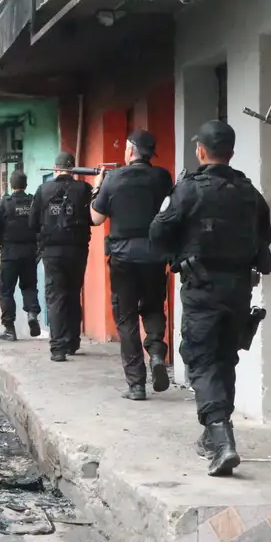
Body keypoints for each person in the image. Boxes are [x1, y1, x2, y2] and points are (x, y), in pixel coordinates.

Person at [149, 121, 271, 477]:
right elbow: (265, 237)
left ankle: (221, 440)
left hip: (202, 289)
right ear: (230, 152)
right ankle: (212, 435)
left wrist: (179, 249)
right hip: (238, 291)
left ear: (201, 151)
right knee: (224, 359)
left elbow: (157, 233)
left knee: (202, 361)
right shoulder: (249, 192)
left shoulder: (188, 190)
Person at [91, 130, 174, 400]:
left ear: (129, 151)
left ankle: (137, 385)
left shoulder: (113, 179)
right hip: (154, 256)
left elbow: (95, 218)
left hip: (123, 258)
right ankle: (157, 353)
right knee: (153, 307)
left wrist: (96, 187)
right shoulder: (162, 177)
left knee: (126, 318)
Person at [30, 152, 94, 362]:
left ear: (55, 168)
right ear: (73, 168)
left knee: (56, 296)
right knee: (73, 293)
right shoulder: (84, 189)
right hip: (77, 251)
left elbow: (32, 222)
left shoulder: (43, 190)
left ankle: (58, 348)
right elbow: (93, 217)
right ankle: (72, 342)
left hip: (52, 252)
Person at [0, 170, 42, 341]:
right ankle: (32, 314)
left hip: (9, 254)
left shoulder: (3, 204)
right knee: (29, 286)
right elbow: (41, 226)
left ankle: (10, 329)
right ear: (25, 185)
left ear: (11, 185)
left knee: (6, 290)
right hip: (30, 253)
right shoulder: (33, 202)